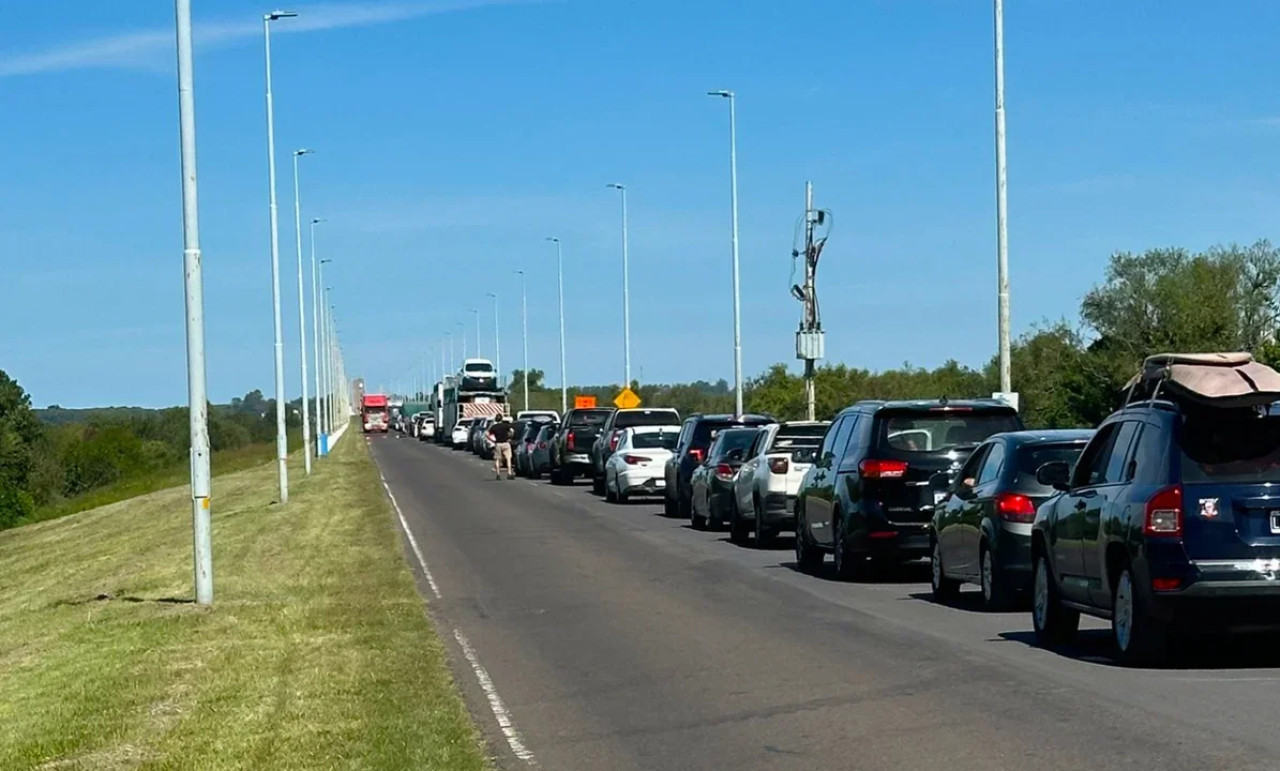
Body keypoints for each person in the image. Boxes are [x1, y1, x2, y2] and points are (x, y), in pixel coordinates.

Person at [487, 414, 515, 479]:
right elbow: (512, 430)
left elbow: (487, 434)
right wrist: (510, 436)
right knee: (508, 458)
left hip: (498, 444)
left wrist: (492, 440)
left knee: (497, 459)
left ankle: (498, 474)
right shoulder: (505, 425)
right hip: (506, 443)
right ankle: (509, 473)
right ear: (501, 419)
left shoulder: (494, 427)